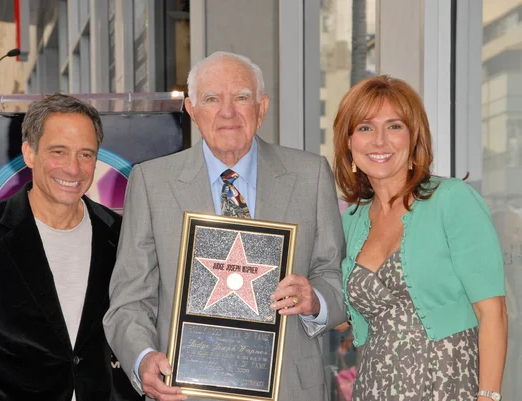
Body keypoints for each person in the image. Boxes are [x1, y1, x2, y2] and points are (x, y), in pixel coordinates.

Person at [103, 51, 347, 401]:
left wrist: (315, 299)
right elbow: (129, 300)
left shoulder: (310, 175)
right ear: (191, 109)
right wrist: (143, 358)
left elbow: (335, 276)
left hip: (290, 389)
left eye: (242, 98)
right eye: (212, 98)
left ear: (262, 108)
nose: (227, 112)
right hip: (187, 390)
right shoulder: (151, 182)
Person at [0, 94, 142, 401]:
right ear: (29, 153)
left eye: (86, 154)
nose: (73, 169)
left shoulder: (120, 233)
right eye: (58, 152)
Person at [333, 75, 507, 401]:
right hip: (373, 385)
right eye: (366, 127)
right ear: (348, 141)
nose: (380, 141)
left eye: (395, 126)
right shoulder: (352, 220)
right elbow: (346, 318)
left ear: (414, 138)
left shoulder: (452, 200)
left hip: (446, 383)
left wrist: (488, 395)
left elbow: (493, 313)